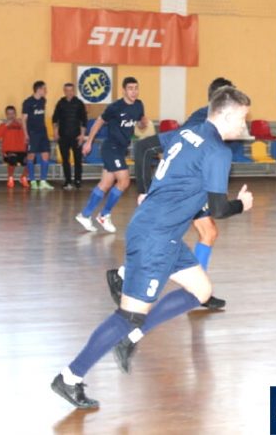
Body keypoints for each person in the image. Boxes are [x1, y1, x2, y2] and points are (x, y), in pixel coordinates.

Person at [51, 86, 253, 409]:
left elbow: (145, 148)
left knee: (201, 290)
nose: (244, 126)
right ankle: (70, 376)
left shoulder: (188, 132)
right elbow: (217, 209)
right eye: (242, 119)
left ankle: (131, 337)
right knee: (128, 316)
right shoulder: (218, 151)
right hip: (155, 238)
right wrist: (242, 204)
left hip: (164, 234)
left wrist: (146, 191)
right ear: (226, 116)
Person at [124, 77, 236, 312]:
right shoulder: (203, 120)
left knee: (208, 232)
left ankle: (199, 290)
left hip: (189, 187)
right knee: (189, 234)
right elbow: (173, 146)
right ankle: (195, 292)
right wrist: (145, 190)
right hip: (184, 189)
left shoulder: (203, 118)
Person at [75, 77, 147, 233]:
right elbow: (98, 122)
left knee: (105, 184)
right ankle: (104, 214)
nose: (134, 91)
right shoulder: (115, 107)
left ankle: (85, 215)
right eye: (130, 88)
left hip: (121, 149)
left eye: (136, 88)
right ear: (124, 90)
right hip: (111, 148)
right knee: (124, 181)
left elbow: (141, 121)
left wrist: (143, 123)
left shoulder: (139, 105)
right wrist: (89, 142)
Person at [53, 83, 87, 190]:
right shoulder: (60, 103)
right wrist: (55, 133)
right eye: (67, 90)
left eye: (71, 90)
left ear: (74, 91)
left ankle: (77, 180)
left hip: (76, 136)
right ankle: (67, 180)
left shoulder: (79, 103)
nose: (69, 92)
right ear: (64, 91)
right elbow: (55, 119)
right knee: (65, 160)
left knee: (78, 160)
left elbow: (84, 120)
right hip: (63, 136)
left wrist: (82, 135)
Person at [22, 80, 54, 190]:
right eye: (44, 88)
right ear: (38, 89)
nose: (46, 91)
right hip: (32, 133)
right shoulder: (28, 102)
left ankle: (43, 181)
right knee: (31, 156)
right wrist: (26, 134)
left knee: (46, 155)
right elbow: (24, 120)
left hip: (42, 132)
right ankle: (32, 180)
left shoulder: (43, 101)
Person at [0, 105, 30, 189]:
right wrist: (5, 125)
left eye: (13, 113)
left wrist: (23, 124)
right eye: (9, 114)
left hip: (21, 151)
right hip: (9, 151)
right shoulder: (3, 125)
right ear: (6, 115)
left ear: (15, 114)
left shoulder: (22, 125)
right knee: (12, 159)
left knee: (31, 160)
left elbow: (30, 134)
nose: (11, 116)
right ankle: (10, 178)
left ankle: (23, 177)